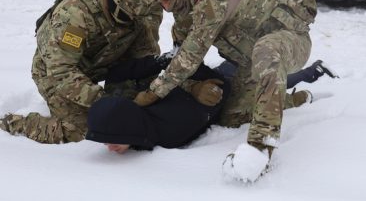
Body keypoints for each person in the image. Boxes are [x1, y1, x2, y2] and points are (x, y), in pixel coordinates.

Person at [136, 0, 318, 182]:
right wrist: (194, 87)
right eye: (159, 3)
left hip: (289, 41)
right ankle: (294, 100)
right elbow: (179, 60)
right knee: (230, 115)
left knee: (265, 50)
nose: (165, 6)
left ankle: (260, 150)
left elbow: (193, 51)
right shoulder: (184, 16)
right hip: (252, 63)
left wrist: (154, 92)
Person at [0, 0, 160, 144]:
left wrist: (152, 90)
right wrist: (104, 101)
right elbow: (61, 71)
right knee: (87, 130)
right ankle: (16, 123)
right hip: (54, 73)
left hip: (102, 66)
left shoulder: (136, 11)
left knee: (132, 117)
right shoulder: (75, 14)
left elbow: (145, 57)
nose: (133, 20)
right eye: (127, 15)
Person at [86, 59, 336, 153]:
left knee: (271, 86)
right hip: (211, 87)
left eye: (112, 138)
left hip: (222, 86)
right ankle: (306, 83)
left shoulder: (169, 129)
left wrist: (194, 87)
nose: (109, 146)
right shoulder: (143, 124)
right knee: (269, 85)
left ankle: (311, 77)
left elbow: (166, 69)